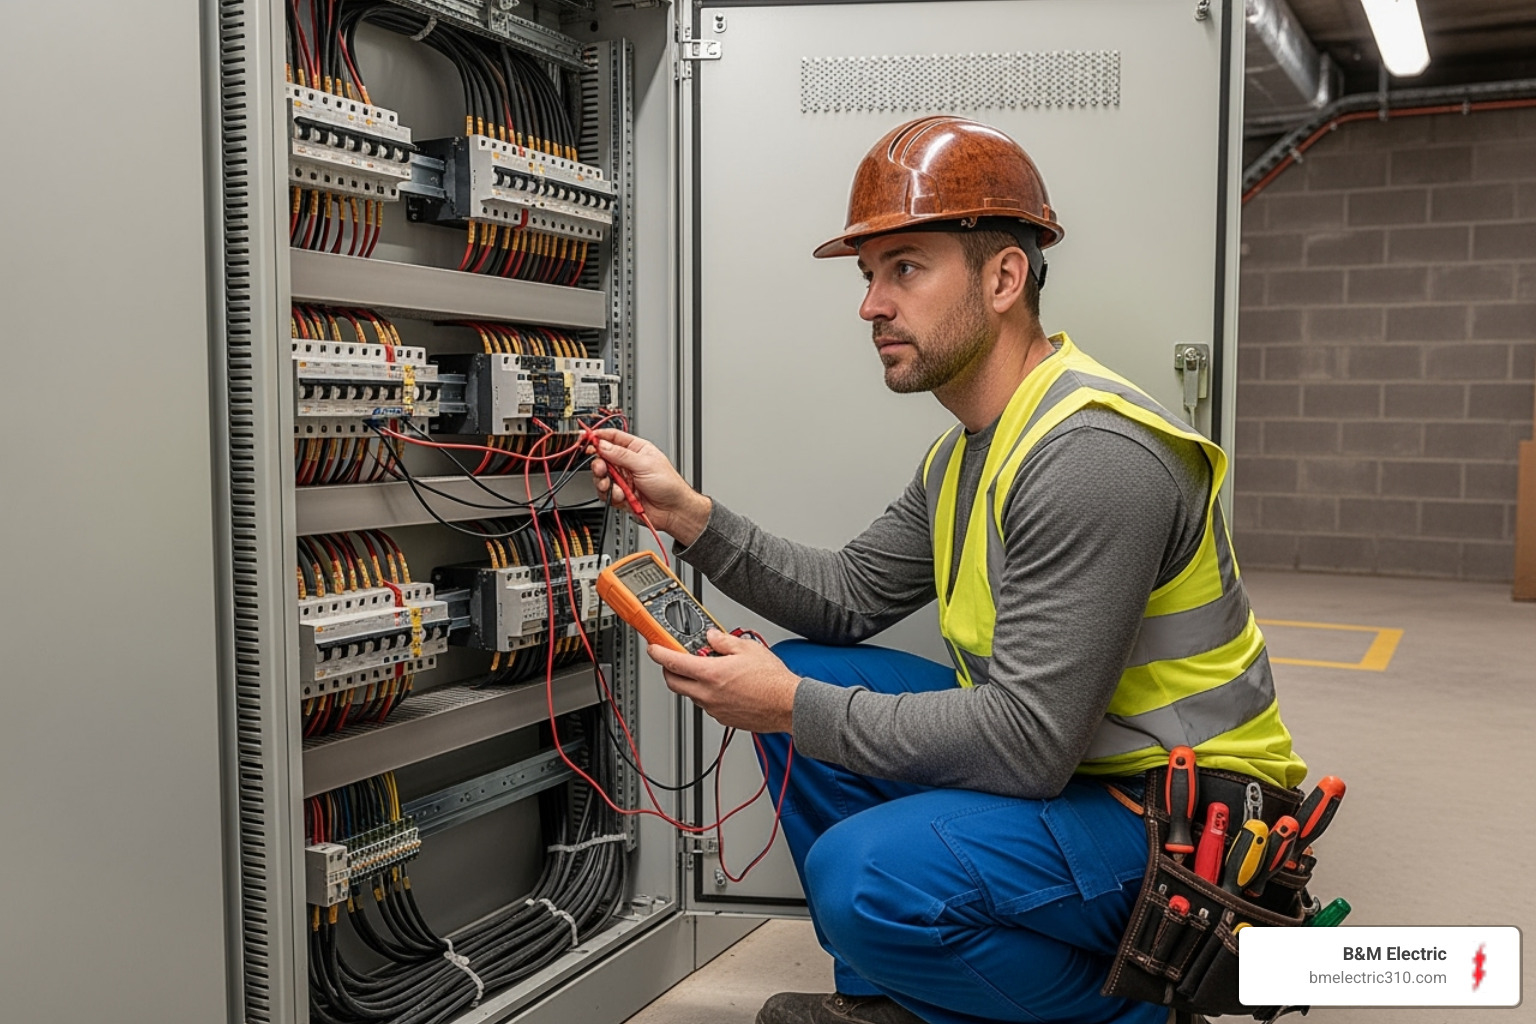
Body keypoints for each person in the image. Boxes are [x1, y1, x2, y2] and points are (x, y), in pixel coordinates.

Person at [586, 116, 1306, 1024]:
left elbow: (1028, 747)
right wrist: (689, 514)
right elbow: (845, 598)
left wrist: (788, 707)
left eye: (906, 269)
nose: (871, 305)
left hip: (1176, 816)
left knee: (863, 869)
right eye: (868, 276)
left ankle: (1144, 1009)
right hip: (1090, 772)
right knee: (806, 672)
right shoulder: (971, 452)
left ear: (1004, 277)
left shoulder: (1091, 455)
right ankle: (891, 999)